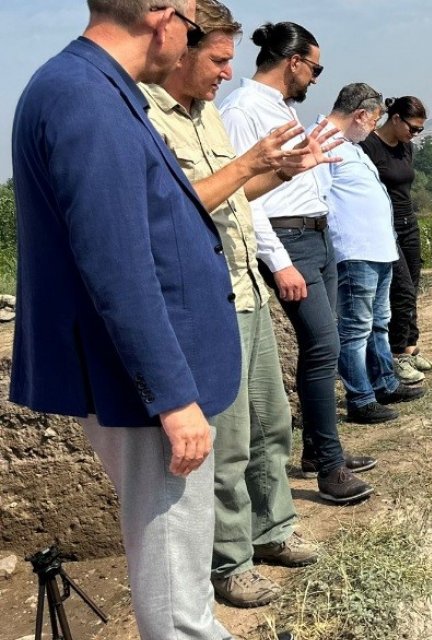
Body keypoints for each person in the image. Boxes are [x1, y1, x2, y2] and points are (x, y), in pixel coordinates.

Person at [10, 0, 240, 636]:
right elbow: (118, 264)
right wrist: (171, 396)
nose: (192, 42)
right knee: (173, 576)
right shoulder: (85, 97)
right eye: (193, 27)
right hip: (140, 385)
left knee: (180, 564)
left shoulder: (92, 87)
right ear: (162, 14)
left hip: (143, 377)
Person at [141, 0, 336, 608]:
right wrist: (252, 162)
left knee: (271, 426)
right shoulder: (149, 117)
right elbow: (171, 208)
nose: (229, 73)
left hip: (244, 289)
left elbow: (233, 194)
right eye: (219, 60)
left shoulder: (207, 119)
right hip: (209, 299)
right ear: (182, 50)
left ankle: (273, 528)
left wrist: (277, 170)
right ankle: (230, 562)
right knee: (226, 442)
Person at [220, 21, 376, 504]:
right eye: (315, 68)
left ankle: (318, 450)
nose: (315, 80)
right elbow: (243, 199)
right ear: (293, 62)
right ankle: (329, 469)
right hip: (288, 241)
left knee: (321, 350)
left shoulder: (278, 108)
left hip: (315, 235)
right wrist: (280, 261)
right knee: (324, 344)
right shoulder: (243, 110)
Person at [317, 83, 425, 424]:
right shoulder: (320, 142)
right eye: (375, 117)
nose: (374, 126)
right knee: (356, 328)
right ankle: (361, 399)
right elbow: (316, 200)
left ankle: (384, 382)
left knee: (379, 323)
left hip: (379, 250)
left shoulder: (350, 146)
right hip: (355, 251)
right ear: (361, 114)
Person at [361, 95, 431, 385]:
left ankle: (410, 346)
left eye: (419, 131)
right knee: (399, 289)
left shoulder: (406, 149)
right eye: (412, 128)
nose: (413, 135)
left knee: (412, 285)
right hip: (383, 226)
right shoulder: (368, 147)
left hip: (408, 223)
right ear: (396, 118)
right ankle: (397, 354)